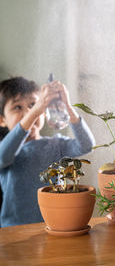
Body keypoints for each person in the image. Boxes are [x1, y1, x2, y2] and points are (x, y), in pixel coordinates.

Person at [0, 76, 95, 227]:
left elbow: (87, 145)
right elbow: (2, 157)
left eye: (33, 104)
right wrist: (35, 111)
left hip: (54, 227)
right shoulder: (6, 148)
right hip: (13, 231)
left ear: (44, 112)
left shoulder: (55, 144)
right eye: (17, 107)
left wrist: (67, 107)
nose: (28, 112)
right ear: (2, 120)